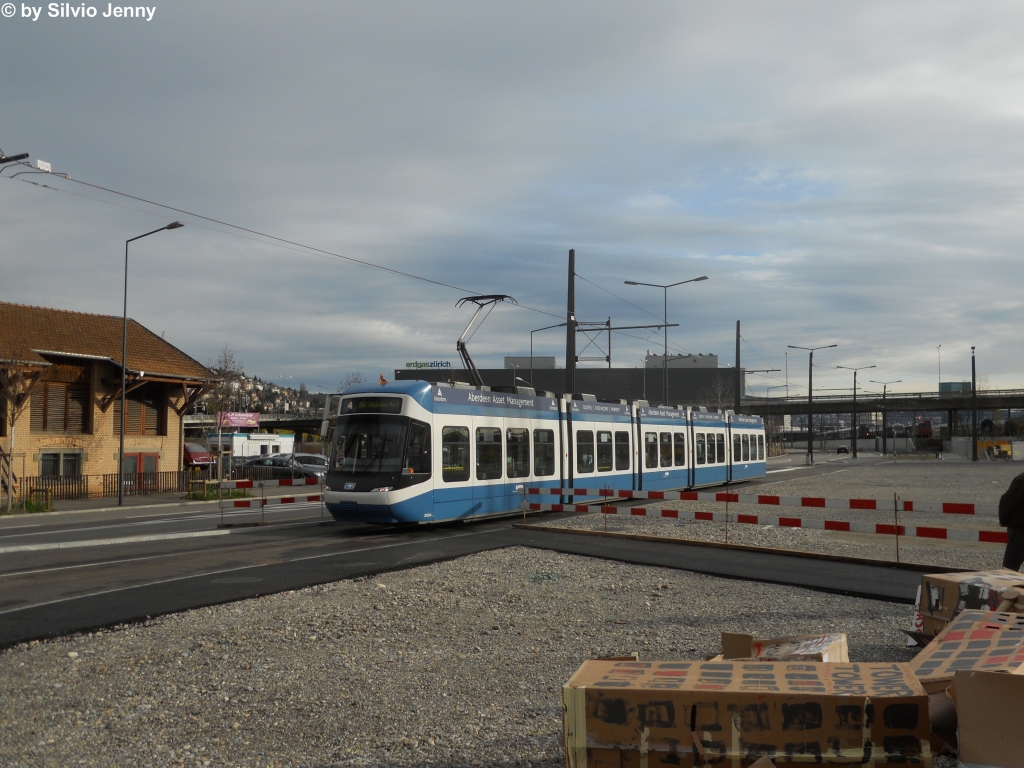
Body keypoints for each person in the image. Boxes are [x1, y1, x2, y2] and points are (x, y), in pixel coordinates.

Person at [999, 470, 1024, 570]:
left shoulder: (1021, 481)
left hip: (1020, 531)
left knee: (1009, 570)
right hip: (1020, 529)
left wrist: (1005, 521)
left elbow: (1007, 503)